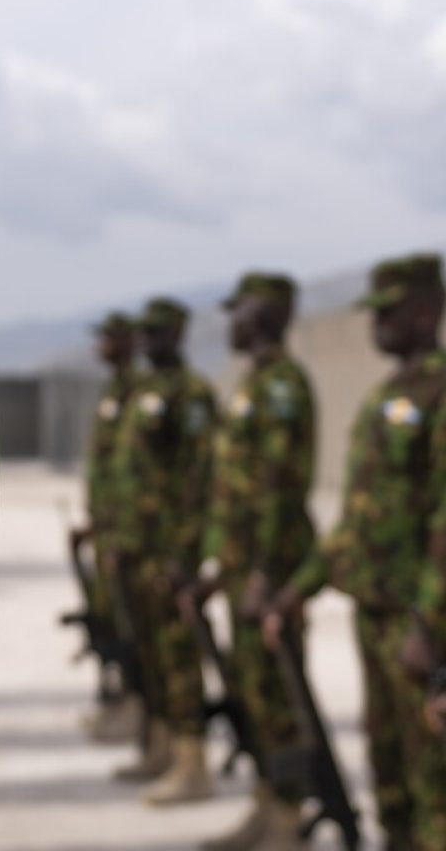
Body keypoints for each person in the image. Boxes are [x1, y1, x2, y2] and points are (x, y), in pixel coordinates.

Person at [266, 254, 446, 850]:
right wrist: (296, 588)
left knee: (434, 788)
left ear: (426, 310)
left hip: (421, 630)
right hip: (376, 617)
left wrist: (429, 624)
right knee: (390, 778)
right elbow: (355, 525)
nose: (376, 326)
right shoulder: (385, 397)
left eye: (388, 313)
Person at [198, 272, 317, 851]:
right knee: (254, 694)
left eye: (238, 311)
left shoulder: (282, 388)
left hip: (267, 576)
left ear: (264, 316)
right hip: (243, 571)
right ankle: (266, 806)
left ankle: (289, 819)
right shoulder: (256, 383)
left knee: (279, 700)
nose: (231, 323)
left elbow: (279, 489)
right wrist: (222, 566)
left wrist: (266, 576)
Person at [111, 297, 216, 804]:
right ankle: (163, 746)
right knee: (150, 653)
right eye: (145, 333)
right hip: (136, 546)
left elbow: (199, 479)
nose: (149, 341)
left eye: (158, 332)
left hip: (168, 551)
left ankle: (194, 763)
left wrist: (184, 552)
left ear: (178, 334)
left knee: (179, 658)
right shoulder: (144, 391)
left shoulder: (191, 394)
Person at [77, 311, 141, 742]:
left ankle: (139, 713)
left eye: (109, 338)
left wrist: (120, 530)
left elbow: (136, 474)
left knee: (133, 628)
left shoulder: (137, 393)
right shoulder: (112, 392)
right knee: (110, 622)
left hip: (131, 534)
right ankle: (123, 705)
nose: (101, 346)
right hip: (108, 529)